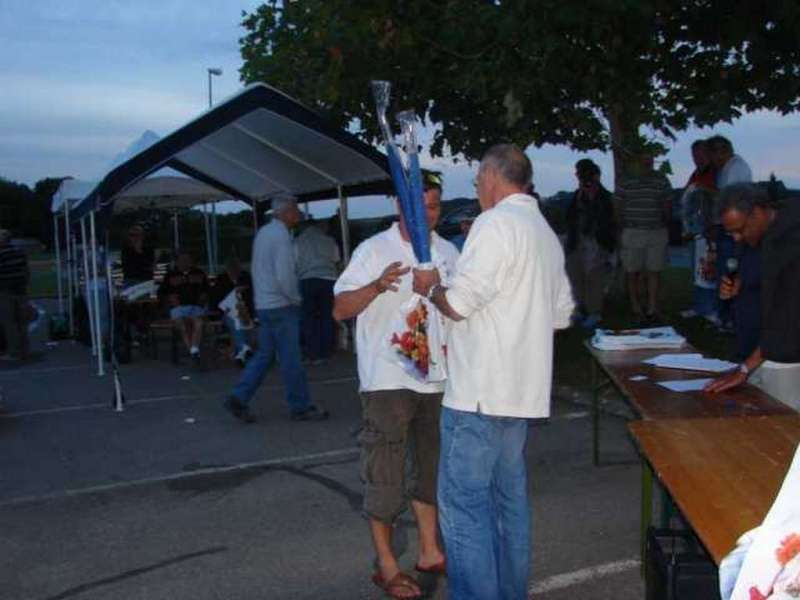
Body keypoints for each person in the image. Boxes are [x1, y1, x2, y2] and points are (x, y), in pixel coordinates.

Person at [413, 144, 575, 598]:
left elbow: (459, 304)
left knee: (464, 511)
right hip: (520, 394)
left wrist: (432, 288)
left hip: (480, 394)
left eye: (478, 180)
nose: (477, 188)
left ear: (491, 176)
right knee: (509, 508)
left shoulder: (494, 223)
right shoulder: (543, 230)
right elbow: (560, 315)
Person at [332, 171, 457, 600]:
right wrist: (375, 285)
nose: (427, 214)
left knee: (431, 470)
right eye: (418, 206)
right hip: (387, 380)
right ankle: (386, 565)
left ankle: (428, 551)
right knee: (384, 473)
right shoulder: (373, 249)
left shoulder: (448, 252)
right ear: (400, 207)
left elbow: (460, 311)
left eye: (435, 206)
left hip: (437, 380)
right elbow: (339, 310)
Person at [224, 198, 327, 424]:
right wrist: (295, 298)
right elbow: (284, 275)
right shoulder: (281, 237)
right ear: (286, 212)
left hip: (265, 304)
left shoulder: (264, 233)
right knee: (291, 359)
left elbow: (260, 269)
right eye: (296, 210)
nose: (298, 214)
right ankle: (300, 407)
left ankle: (239, 396)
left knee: (265, 355)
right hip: (281, 305)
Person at [705, 183, 800, 411]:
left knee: (783, 429)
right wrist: (732, 288)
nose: (737, 238)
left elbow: (788, 313)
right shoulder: (755, 235)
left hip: (783, 359)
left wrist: (746, 368)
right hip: (752, 351)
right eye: (731, 233)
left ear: (758, 212)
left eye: (740, 229)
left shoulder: (792, 243)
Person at [616, 153, 673, 322]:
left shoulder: (661, 179)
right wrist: (621, 228)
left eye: (650, 158)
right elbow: (617, 206)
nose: (647, 160)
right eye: (644, 158)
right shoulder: (625, 181)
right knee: (632, 271)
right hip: (632, 231)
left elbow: (668, 203)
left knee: (654, 271)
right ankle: (635, 307)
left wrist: (665, 222)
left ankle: (652, 308)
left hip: (656, 231)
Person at [565, 158, 617, 328]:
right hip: (577, 243)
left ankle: (595, 313)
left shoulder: (606, 198)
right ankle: (580, 309)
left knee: (595, 278)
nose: (583, 180)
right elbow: (570, 220)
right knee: (575, 277)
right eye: (580, 176)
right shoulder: (576, 197)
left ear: (596, 176)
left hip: (598, 243)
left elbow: (610, 223)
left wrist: (607, 247)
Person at [709, 135, 752, 329]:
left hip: (732, 230)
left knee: (730, 273)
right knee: (726, 273)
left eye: (713, 153)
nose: (712, 159)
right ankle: (727, 316)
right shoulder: (726, 169)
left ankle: (731, 317)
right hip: (727, 229)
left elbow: (729, 201)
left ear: (722, 151)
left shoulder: (736, 168)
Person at [680, 139, 719, 321]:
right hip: (696, 231)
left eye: (700, 154)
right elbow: (687, 201)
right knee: (697, 270)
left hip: (710, 230)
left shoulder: (716, 172)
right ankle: (699, 306)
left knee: (709, 269)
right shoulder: (696, 173)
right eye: (694, 155)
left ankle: (711, 308)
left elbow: (719, 196)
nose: (697, 158)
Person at [294, 219, 340, 364]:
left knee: (309, 318)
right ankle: (326, 352)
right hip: (329, 279)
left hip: (307, 280)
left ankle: (312, 353)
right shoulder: (329, 240)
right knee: (327, 316)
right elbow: (336, 258)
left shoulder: (298, 241)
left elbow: (294, 263)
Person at [158, 251, 209, 360]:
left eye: (188, 260)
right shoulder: (170, 275)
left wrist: (203, 299)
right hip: (178, 308)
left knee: (199, 323)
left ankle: (193, 350)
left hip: (196, 307)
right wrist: (169, 299)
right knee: (183, 325)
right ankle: (194, 351)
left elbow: (208, 290)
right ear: (177, 262)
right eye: (182, 260)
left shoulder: (199, 273)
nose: (185, 262)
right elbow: (161, 293)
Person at [210, 256, 254, 366]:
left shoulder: (246, 277)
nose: (234, 270)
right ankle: (243, 348)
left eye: (236, 268)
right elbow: (216, 300)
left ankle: (241, 353)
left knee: (237, 320)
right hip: (227, 312)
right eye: (231, 268)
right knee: (235, 320)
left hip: (245, 311)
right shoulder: (221, 279)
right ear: (227, 269)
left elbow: (252, 297)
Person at [0, 230, 29, 361]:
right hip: (21, 289)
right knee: (21, 322)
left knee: (9, 322)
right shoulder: (20, 252)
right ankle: (24, 350)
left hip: (6, 290)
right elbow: (26, 270)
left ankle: (14, 352)